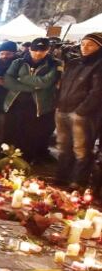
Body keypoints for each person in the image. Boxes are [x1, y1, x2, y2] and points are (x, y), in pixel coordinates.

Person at [54, 32, 102, 187]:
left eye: (90, 45)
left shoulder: (98, 65)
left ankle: (77, 182)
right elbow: (63, 85)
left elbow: (97, 92)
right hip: (63, 109)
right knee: (63, 147)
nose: (85, 47)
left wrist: (81, 111)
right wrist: (58, 104)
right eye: (83, 44)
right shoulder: (74, 63)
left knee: (81, 149)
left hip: (83, 114)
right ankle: (61, 178)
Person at [3, 37, 59, 163]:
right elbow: (8, 81)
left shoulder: (54, 64)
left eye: (42, 50)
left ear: (48, 50)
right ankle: (6, 160)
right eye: (35, 50)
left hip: (38, 106)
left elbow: (46, 82)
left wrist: (21, 78)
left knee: (30, 135)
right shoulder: (18, 62)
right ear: (30, 49)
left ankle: (25, 161)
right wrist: (31, 88)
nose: (38, 53)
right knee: (11, 132)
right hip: (15, 103)